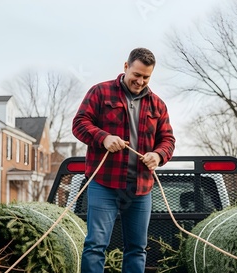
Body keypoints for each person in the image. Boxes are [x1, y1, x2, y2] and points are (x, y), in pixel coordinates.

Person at [72, 47, 176, 273]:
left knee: (137, 248)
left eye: (146, 77)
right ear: (126, 67)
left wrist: (158, 155)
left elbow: (168, 139)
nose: (140, 81)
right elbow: (79, 124)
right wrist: (104, 138)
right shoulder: (100, 92)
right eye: (136, 75)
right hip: (104, 184)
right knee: (95, 245)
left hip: (140, 188)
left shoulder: (158, 105)